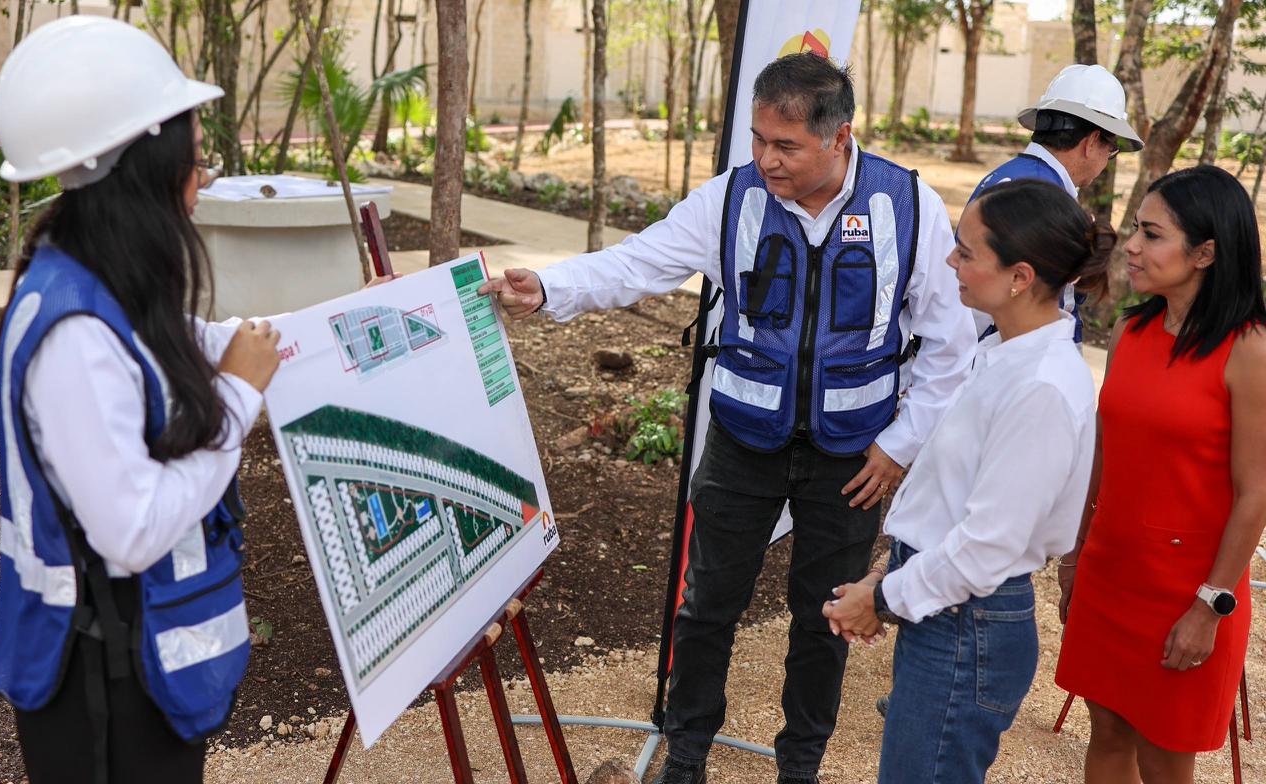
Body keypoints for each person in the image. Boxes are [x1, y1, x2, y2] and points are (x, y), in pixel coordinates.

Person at [480, 53, 976, 784]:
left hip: (853, 458)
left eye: (786, 146)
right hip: (744, 442)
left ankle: (800, 766)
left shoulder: (907, 206)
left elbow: (950, 343)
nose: (767, 160)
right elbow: (640, 262)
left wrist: (901, 445)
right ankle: (686, 757)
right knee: (706, 607)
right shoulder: (732, 199)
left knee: (827, 618)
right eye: (759, 140)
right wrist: (549, 288)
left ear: (840, 138)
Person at [0, 17, 288, 784]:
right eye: (197, 160)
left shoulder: (101, 280)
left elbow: (210, 342)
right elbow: (132, 532)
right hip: (102, 694)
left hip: (139, 670)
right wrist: (237, 398)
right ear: (147, 170)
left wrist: (363, 320)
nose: (204, 179)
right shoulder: (77, 335)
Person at [822, 179, 1111, 783]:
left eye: (967, 251)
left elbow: (988, 547)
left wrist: (881, 598)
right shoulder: (1006, 355)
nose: (951, 262)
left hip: (966, 622)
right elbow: (950, 502)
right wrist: (885, 578)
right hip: (952, 613)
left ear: (1020, 277)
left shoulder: (1040, 385)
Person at [1055, 165, 1266, 783]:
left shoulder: (1249, 349)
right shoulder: (1132, 329)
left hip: (1189, 589)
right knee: (1106, 735)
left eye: (1152, 234)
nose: (1132, 246)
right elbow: (1104, 450)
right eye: (1136, 230)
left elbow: (1256, 493)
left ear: (1205, 253)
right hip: (1109, 571)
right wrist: (1075, 552)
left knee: (1165, 758)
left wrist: (1210, 606)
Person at [969, 64, 1143, 347]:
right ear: (1092, 141)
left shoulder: (1011, 177)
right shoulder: (1044, 197)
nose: (1107, 159)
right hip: (1014, 359)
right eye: (1111, 149)